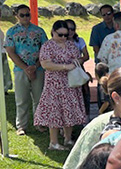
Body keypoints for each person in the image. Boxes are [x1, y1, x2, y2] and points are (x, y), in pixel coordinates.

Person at [34, 20, 86, 151]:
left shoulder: (71, 45)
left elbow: (80, 57)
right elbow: (46, 64)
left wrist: (76, 62)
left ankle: (68, 139)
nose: (63, 38)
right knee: (54, 112)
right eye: (60, 35)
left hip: (70, 83)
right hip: (54, 84)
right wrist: (64, 66)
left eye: (65, 35)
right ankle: (54, 142)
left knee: (70, 110)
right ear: (53, 32)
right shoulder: (47, 46)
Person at [4, 4, 48, 136]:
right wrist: (26, 68)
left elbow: (45, 50)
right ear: (16, 16)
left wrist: (35, 66)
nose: (25, 17)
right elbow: (10, 52)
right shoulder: (11, 32)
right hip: (20, 70)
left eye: (27, 14)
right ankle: (21, 126)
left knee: (39, 97)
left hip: (38, 68)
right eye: (22, 15)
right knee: (22, 98)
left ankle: (39, 123)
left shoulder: (39, 31)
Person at [66, 19, 91, 117]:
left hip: (78, 68)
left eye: (73, 29)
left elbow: (86, 55)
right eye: (68, 29)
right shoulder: (60, 41)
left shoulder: (79, 40)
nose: (71, 31)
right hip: (65, 70)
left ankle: (85, 114)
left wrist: (79, 61)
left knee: (84, 90)